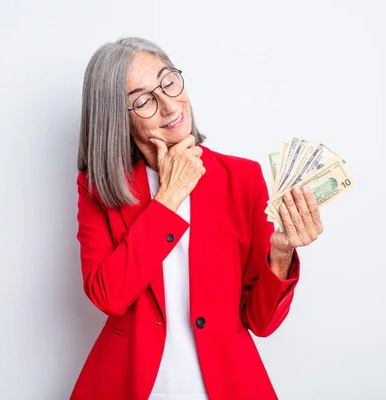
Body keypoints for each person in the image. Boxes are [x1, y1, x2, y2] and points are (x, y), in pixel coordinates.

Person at [70, 37, 323, 400]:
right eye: (143, 101)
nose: (170, 106)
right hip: (129, 383)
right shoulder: (98, 189)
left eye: (168, 82)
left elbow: (260, 322)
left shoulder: (243, 178)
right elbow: (109, 296)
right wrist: (169, 196)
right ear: (116, 118)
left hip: (226, 383)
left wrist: (280, 254)